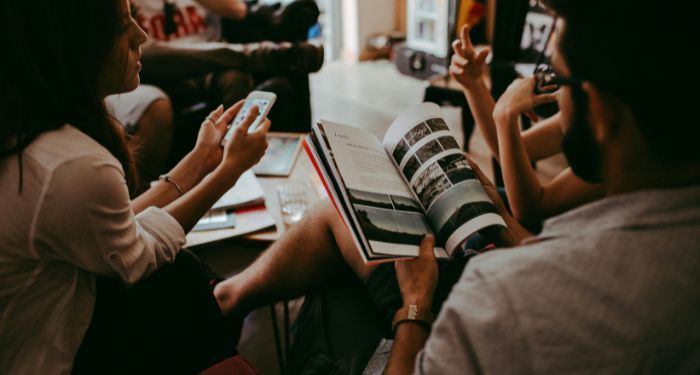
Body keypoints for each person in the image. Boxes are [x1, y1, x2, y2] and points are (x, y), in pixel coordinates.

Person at [216, 0, 700, 372]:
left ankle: (231, 301)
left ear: (602, 113)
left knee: (344, 260)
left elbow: (532, 212)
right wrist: (508, 223)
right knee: (355, 227)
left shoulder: (500, 300)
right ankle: (233, 298)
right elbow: (530, 203)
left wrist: (416, 305)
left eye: (558, 76)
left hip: (470, 298)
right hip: (518, 254)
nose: (549, 86)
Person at [0, 0, 270, 373]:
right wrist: (228, 171)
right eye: (121, 24)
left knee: (184, 278)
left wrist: (201, 160)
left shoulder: (33, 124)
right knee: (181, 278)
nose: (141, 34)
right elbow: (136, 258)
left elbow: (119, 226)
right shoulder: (73, 165)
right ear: (76, 45)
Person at [449, 22, 603, 226]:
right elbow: (508, 148)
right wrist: (474, 83)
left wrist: (505, 114)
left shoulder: (625, 151)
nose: (556, 91)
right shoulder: (596, 107)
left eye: (560, 75)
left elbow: (534, 209)